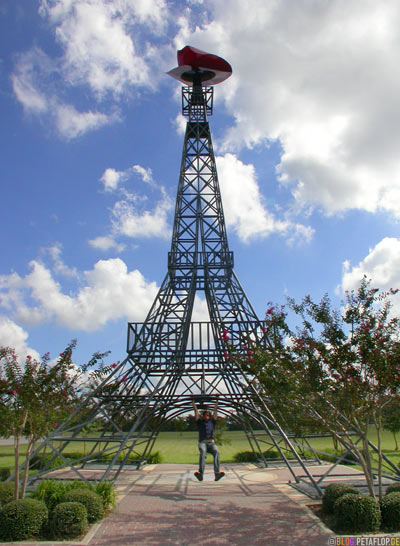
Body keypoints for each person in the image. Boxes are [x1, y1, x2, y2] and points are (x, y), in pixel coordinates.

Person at [192, 395, 225, 482]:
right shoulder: (200, 422)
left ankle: (217, 474)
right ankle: (201, 474)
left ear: (209, 416)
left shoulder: (212, 422)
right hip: (203, 442)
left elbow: (215, 410)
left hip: (211, 443)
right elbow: (195, 411)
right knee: (202, 452)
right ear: (203, 416)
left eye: (207, 415)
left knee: (216, 452)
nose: (206, 416)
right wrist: (193, 400)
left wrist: (217, 399)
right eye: (204, 415)